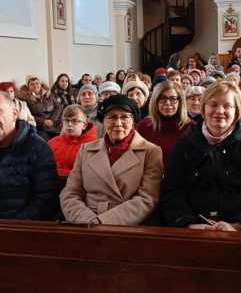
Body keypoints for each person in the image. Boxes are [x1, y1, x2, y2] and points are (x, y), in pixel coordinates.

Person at [159, 81, 241, 231]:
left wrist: (240, 225)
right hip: (192, 231)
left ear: (237, 111)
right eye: (213, 104)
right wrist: (188, 223)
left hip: (240, 233)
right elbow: (172, 191)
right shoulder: (185, 144)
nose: (220, 111)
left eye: (227, 106)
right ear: (203, 108)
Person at [60, 95, 163, 225]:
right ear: (103, 121)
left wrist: (103, 222)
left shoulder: (151, 152)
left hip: (125, 223)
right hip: (85, 222)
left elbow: (147, 198)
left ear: (133, 121)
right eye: (112, 117)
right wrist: (87, 220)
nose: (118, 123)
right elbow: (70, 193)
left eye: (125, 117)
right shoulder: (86, 150)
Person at [0, 91, 59, 220]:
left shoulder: (37, 148)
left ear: (14, 114)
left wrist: (11, 227)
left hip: (20, 230)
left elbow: (46, 199)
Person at [136, 81, 193, 165]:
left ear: (180, 102)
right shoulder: (144, 127)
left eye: (173, 98)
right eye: (163, 98)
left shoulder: (192, 128)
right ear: (155, 101)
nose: (168, 103)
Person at [48, 105, 97, 177]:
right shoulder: (52, 143)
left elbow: (89, 174)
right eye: (66, 120)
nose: (69, 124)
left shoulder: (93, 146)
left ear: (84, 125)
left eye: (75, 121)